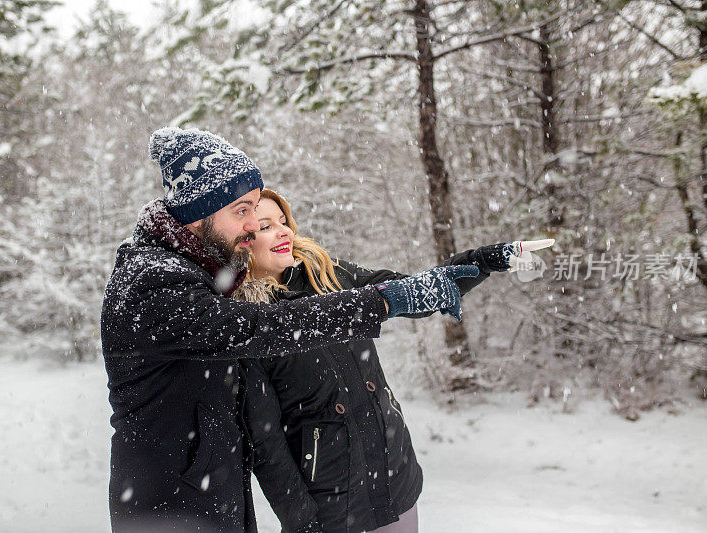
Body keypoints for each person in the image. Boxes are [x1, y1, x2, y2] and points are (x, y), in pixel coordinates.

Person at [100, 127, 484, 533]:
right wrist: (385, 300)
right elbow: (261, 329)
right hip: (169, 510)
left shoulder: (196, 269)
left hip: (208, 498)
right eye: (242, 211)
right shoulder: (152, 281)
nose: (253, 226)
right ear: (200, 211)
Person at [233, 189, 531, 533]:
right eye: (267, 226)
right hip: (331, 505)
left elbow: (414, 290)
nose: (284, 231)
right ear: (243, 240)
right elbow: (265, 441)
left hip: (395, 477)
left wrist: (480, 261)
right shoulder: (248, 325)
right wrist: (301, 518)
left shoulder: (328, 275)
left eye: (284, 222)